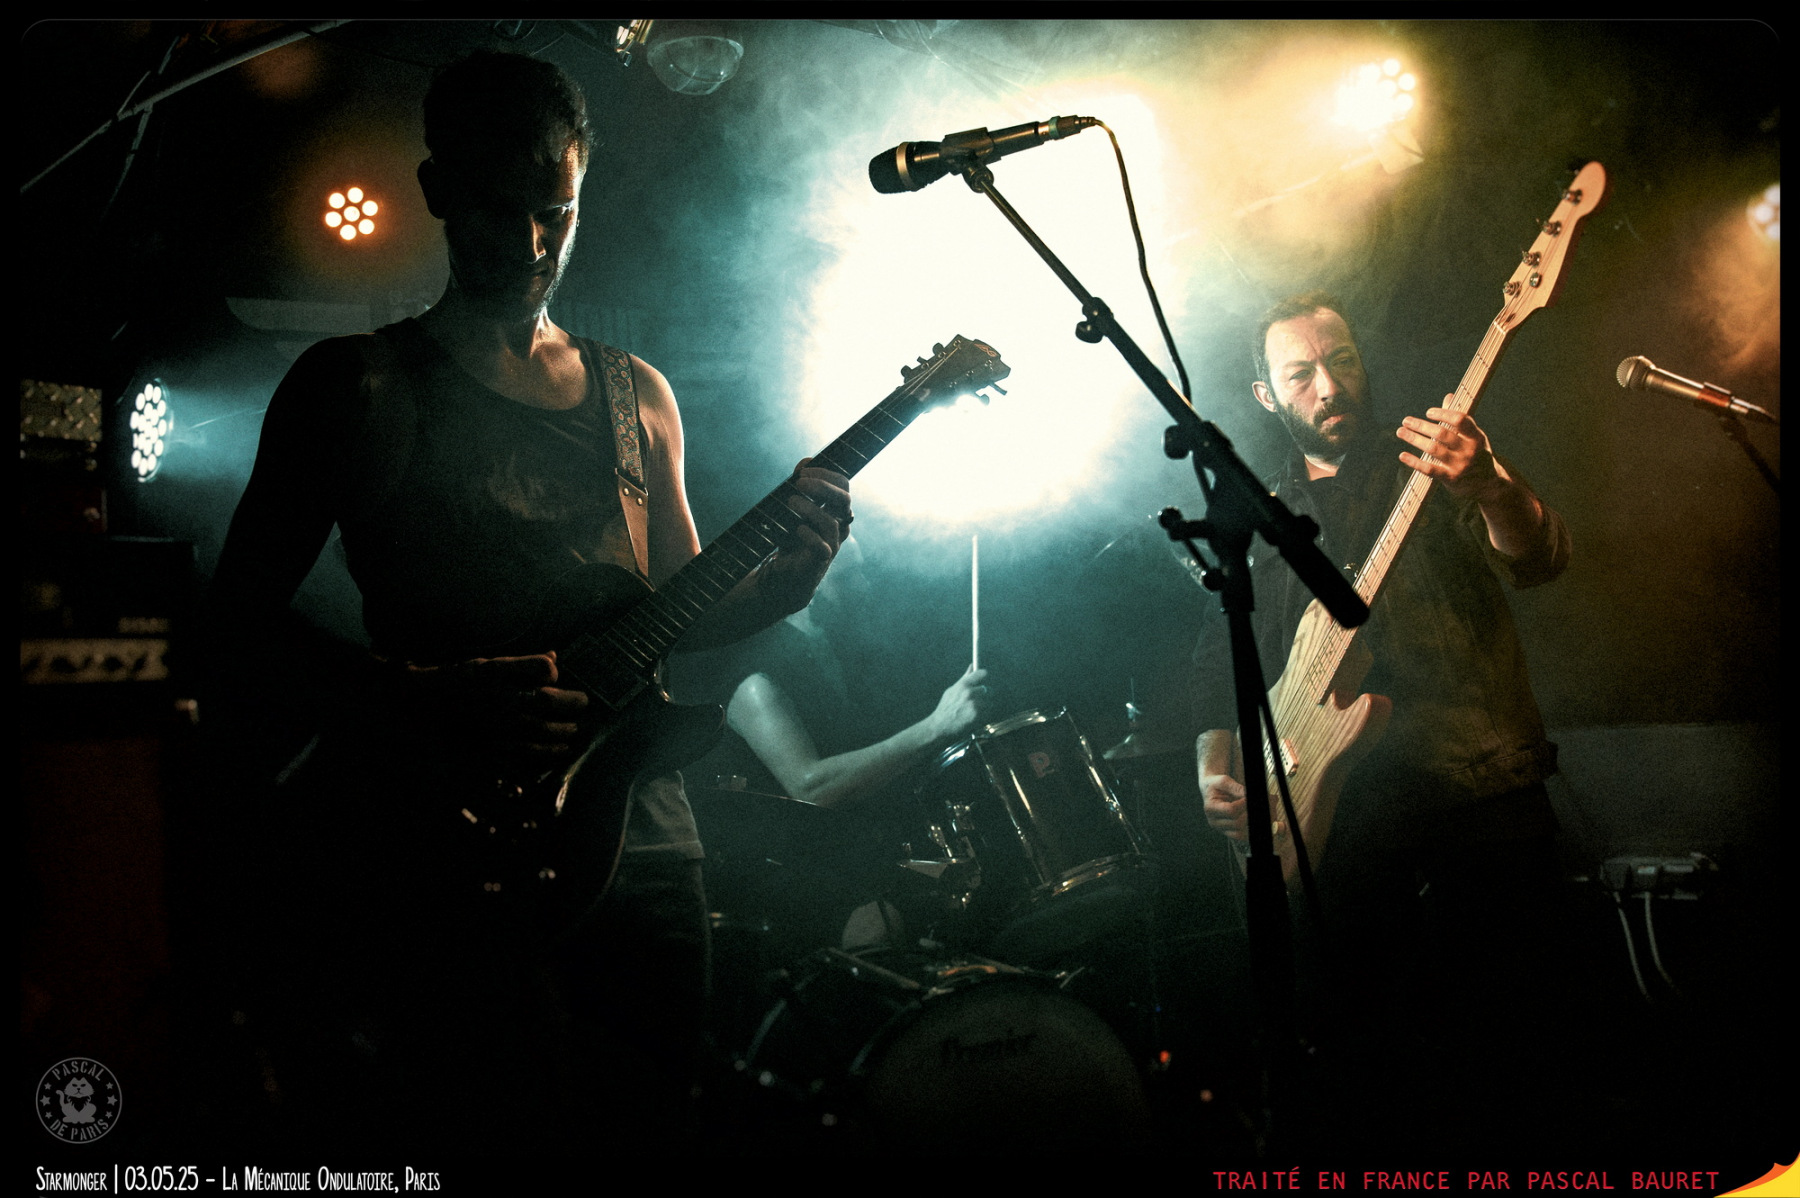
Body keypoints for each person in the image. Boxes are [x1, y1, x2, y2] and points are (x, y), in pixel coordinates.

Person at [203, 50, 849, 1152]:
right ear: (438, 190)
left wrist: (787, 586)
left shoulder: (638, 395)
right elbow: (234, 627)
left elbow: (676, 619)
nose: (535, 245)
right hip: (440, 854)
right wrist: (421, 696)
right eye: (504, 210)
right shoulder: (357, 387)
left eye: (559, 212)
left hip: (643, 840)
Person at [1189, 291, 1574, 1151]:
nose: (1329, 386)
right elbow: (1219, 670)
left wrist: (1491, 485)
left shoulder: (1432, 462)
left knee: (1525, 1065)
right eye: (1301, 374)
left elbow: (1540, 559)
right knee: (1378, 1080)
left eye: (1343, 361)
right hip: (1340, 825)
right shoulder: (1258, 520)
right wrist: (1217, 770)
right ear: (1265, 396)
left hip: (1480, 792)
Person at [672, 541, 991, 959]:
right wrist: (935, 726)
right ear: (810, 579)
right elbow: (811, 787)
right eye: (850, 575)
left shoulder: (837, 661)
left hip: (855, 864)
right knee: (881, 927)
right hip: (787, 892)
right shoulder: (753, 678)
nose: (865, 585)